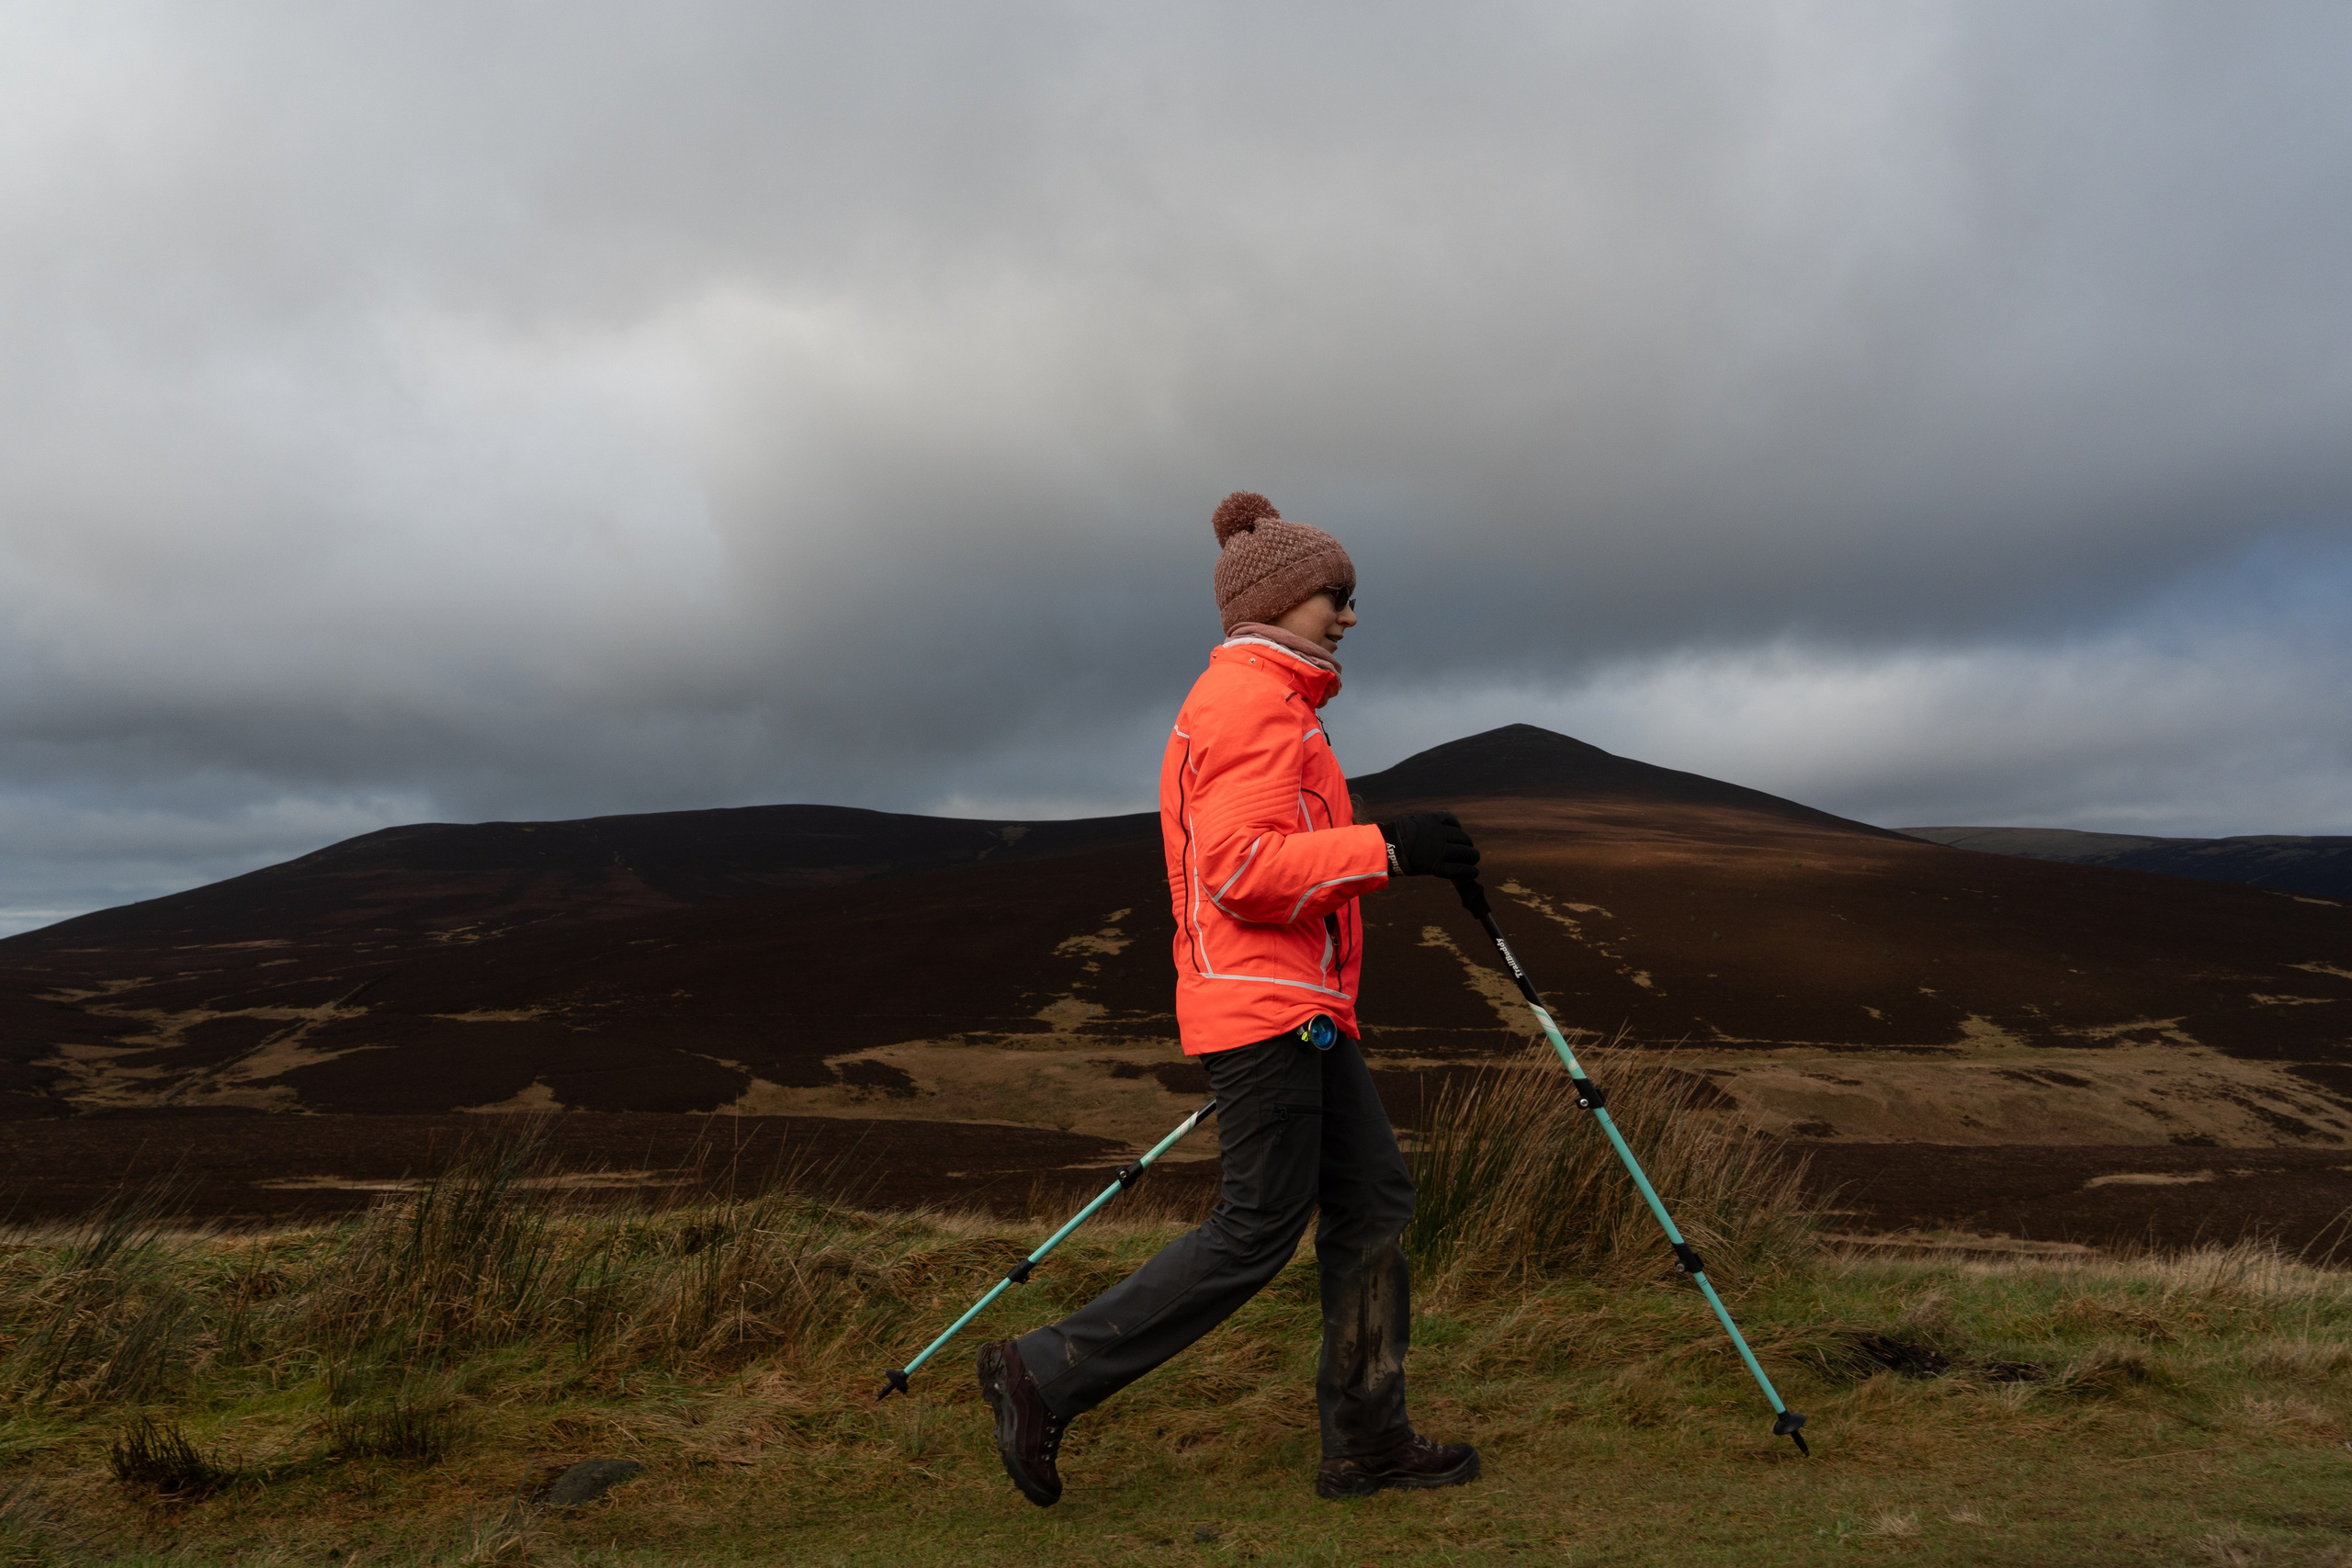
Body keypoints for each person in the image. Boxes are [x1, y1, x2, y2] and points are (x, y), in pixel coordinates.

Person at [978, 491, 1484, 1506]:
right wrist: (1390, 848)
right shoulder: (1249, 702)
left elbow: (1269, 857)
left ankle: (1368, 1438)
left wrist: (1382, 850)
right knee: (1256, 1229)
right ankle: (1043, 1371)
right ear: (1279, 598)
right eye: (1333, 596)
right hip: (1266, 1010)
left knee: (1375, 1203)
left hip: (1300, 1010)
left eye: (1349, 597)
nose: (1348, 615)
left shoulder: (1276, 702)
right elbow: (1245, 870)